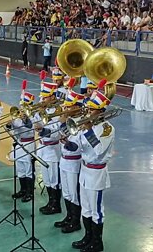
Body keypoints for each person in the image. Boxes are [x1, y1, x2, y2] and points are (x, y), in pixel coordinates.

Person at [71, 88, 115, 252]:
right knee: (86, 208)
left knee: (97, 210)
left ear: (101, 111)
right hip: (84, 171)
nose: (87, 111)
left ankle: (97, 243)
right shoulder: (86, 126)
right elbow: (80, 146)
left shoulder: (106, 128)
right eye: (88, 108)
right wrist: (68, 143)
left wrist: (88, 129)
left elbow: (98, 150)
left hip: (97, 173)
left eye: (91, 109)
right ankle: (87, 237)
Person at [54, 90, 85, 233]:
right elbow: (62, 136)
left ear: (77, 107)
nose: (65, 109)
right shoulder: (68, 121)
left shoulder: (81, 123)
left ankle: (75, 221)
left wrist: (66, 142)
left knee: (74, 193)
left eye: (69, 107)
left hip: (74, 162)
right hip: (64, 160)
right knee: (66, 192)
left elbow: (77, 147)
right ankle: (69, 216)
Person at [34, 81, 62, 215]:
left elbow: (57, 131)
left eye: (45, 97)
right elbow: (36, 123)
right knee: (46, 179)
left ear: (52, 96)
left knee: (54, 179)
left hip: (53, 150)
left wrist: (43, 130)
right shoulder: (42, 109)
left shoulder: (58, 111)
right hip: (42, 148)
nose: (43, 99)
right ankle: (50, 202)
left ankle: (56, 205)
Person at [7, 91, 35, 203]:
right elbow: (12, 129)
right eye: (22, 105)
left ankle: (30, 192)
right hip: (18, 144)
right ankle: (23, 189)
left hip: (28, 145)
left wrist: (25, 119)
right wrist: (9, 124)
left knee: (28, 170)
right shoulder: (17, 116)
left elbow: (30, 126)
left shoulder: (34, 116)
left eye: (25, 105)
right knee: (20, 169)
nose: (22, 108)